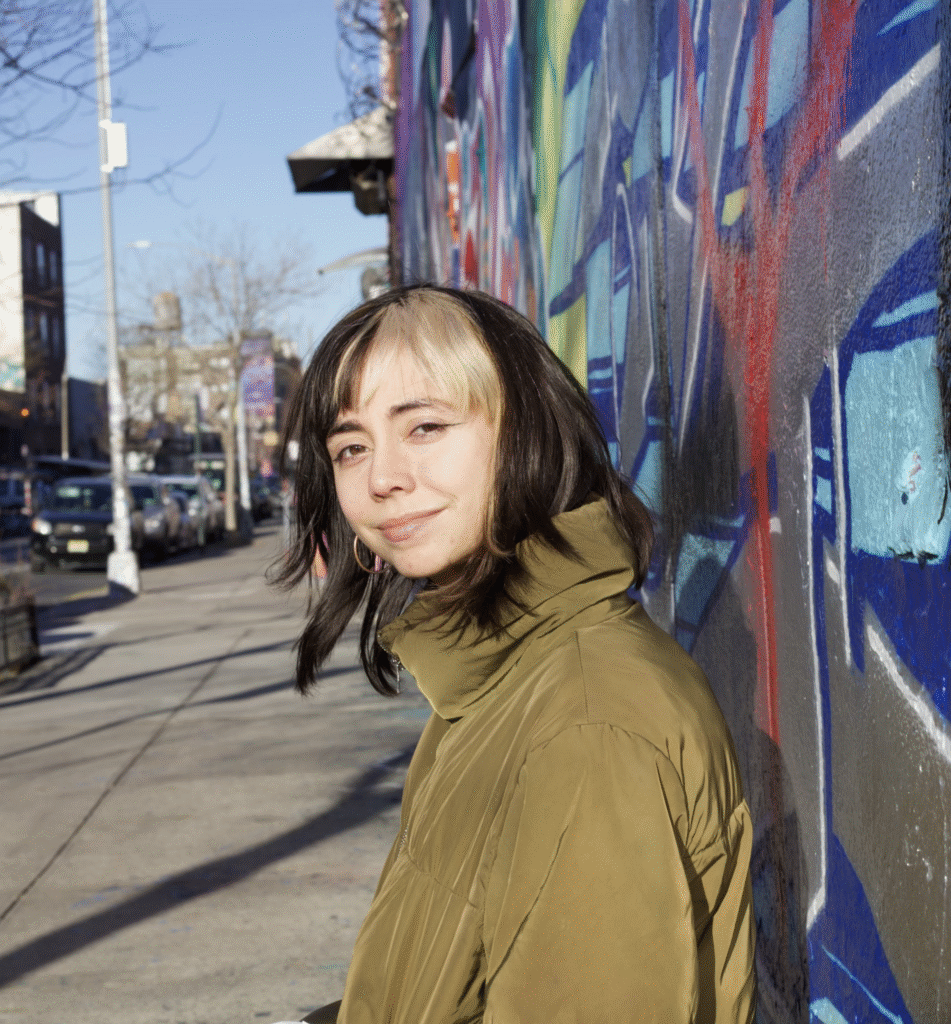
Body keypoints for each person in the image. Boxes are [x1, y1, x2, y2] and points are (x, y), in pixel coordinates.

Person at [272, 284, 756, 1024]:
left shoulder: (587, 726)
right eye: (351, 448)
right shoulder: (500, 675)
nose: (381, 478)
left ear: (526, 433)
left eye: (425, 427)